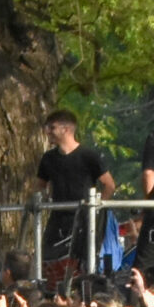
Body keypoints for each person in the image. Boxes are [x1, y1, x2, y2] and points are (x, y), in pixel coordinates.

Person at [36, 108, 116, 278]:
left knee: (83, 263)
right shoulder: (48, 158)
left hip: (83, 219)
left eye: (52, 127)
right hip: (58, 219)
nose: (47, 132)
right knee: (48, 258)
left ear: (65, 129)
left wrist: (96, 210)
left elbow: (108, 185)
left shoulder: (88, 156)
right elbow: (39, 186)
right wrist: (43, 199)